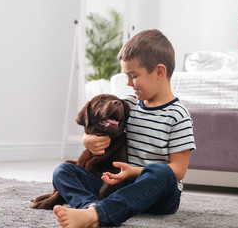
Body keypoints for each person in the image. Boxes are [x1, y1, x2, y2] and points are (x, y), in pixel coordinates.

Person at [53, 29, 196, 228]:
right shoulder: (128, 104)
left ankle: (99, 215)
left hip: (160, 194)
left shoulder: (178, 116)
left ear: (159, 72)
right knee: (63, 170)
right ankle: (89, 206)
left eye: (133, 75)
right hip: (119, 187)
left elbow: (178, 171)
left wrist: (133, 172)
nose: (128, 83)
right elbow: (98, 120)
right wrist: (88, 140)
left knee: (160, 171)